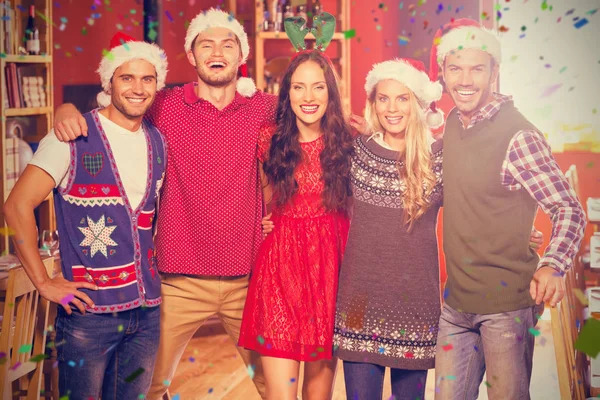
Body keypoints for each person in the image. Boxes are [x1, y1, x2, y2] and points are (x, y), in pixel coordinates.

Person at [50, 8, 275, 399]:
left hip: (247, 279)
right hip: (176, 281)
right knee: (146, 388)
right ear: (191, 56)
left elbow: (314, 128)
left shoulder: (265, 107)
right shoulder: (165, 104)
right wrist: (65, 110)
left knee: (274, 386)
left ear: (242, 55)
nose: (216, 51)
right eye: (206, 44)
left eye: (227, 44)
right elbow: (112, 112)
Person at [4, 32, 168, 398]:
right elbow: (16, 206)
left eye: (147, 78)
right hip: (89, 316)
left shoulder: (158, 141)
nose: (138, 88)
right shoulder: (71, 136)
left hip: (146, 313)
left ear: (157, 84)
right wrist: (45, 284)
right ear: (109, 82)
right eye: (127, 77)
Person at [431, 19, 587, 399]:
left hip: (506, 310)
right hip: (456, 304)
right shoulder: (452, 122)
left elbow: (569, 208)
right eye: (455, 68)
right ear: (443, 74)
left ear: (494, 72)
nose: (465, 80)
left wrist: (552, 264)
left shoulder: (518, 136)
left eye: (476, 69)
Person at [238, 48, 354, 399]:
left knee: (318, 396)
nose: (308, 97)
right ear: (286, 93)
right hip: (279, 271)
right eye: (299, 87)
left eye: (318, 87)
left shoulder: (349, 142)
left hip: (329, 273)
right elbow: (254, 196)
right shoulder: (268, 138)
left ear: (330, 93)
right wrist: (258, 223)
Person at [333, 58, 445, 400]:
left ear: (417, 103)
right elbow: (316, 198)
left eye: (402, 98)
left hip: (416, 304)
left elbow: (474, 211)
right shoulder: (356, 151)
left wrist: (523, 237)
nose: (392, 108)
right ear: (372, 103)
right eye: (383, 98)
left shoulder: (438, 158)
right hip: (358, 301)